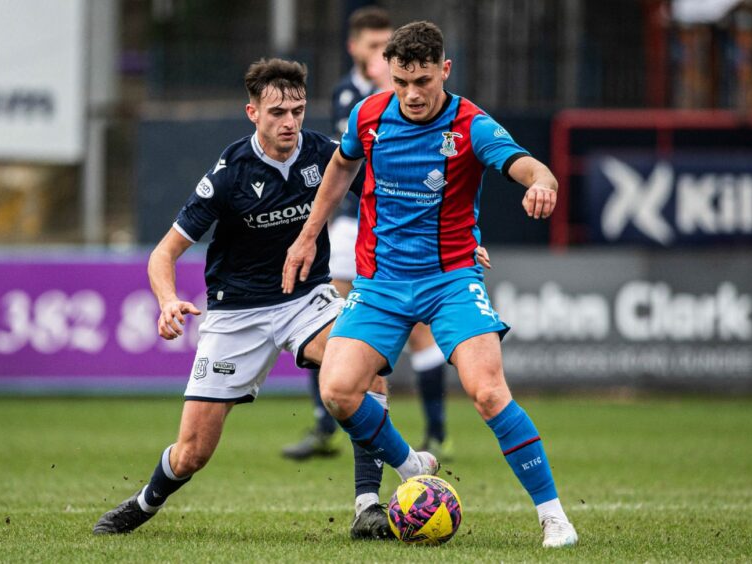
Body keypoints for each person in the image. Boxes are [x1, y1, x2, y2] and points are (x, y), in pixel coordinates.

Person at [92, 58, 417, 540]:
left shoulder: (327, 155)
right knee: (192, 454)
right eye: (277, 113)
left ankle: (367, 505)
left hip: (306, 299)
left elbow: (398, 194)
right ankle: (145, 501)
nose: (289, 122)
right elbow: (163, 254)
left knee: (362, 367)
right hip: (236, 313)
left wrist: (453, 240)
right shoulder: (228, 174)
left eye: (298, 111)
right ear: (252, 113)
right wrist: (166, 300)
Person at [282, 22, 579, 548]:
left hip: (450, 280)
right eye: (401, 82)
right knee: (337, 390)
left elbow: (527, 166)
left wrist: (544, 183)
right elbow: (339, 169)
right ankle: (411, 463)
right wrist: (309, 236)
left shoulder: (471, 126)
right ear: (389, 75)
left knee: (487, 392)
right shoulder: (369, 115)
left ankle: (554, 515)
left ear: (444, 70)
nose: (412, 94)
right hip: (379, 284)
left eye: (422, 80)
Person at [282, 6, 453, 463]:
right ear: (354, 47)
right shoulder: (346, 94)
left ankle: (436, 432)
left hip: (398, 224)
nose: (380, 53)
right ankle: (326, 424)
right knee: (328, 318)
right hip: (349, 222)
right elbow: (347, 161)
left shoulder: (403, 93)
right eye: (372, 45)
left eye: (386, 45)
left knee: (416, 331)